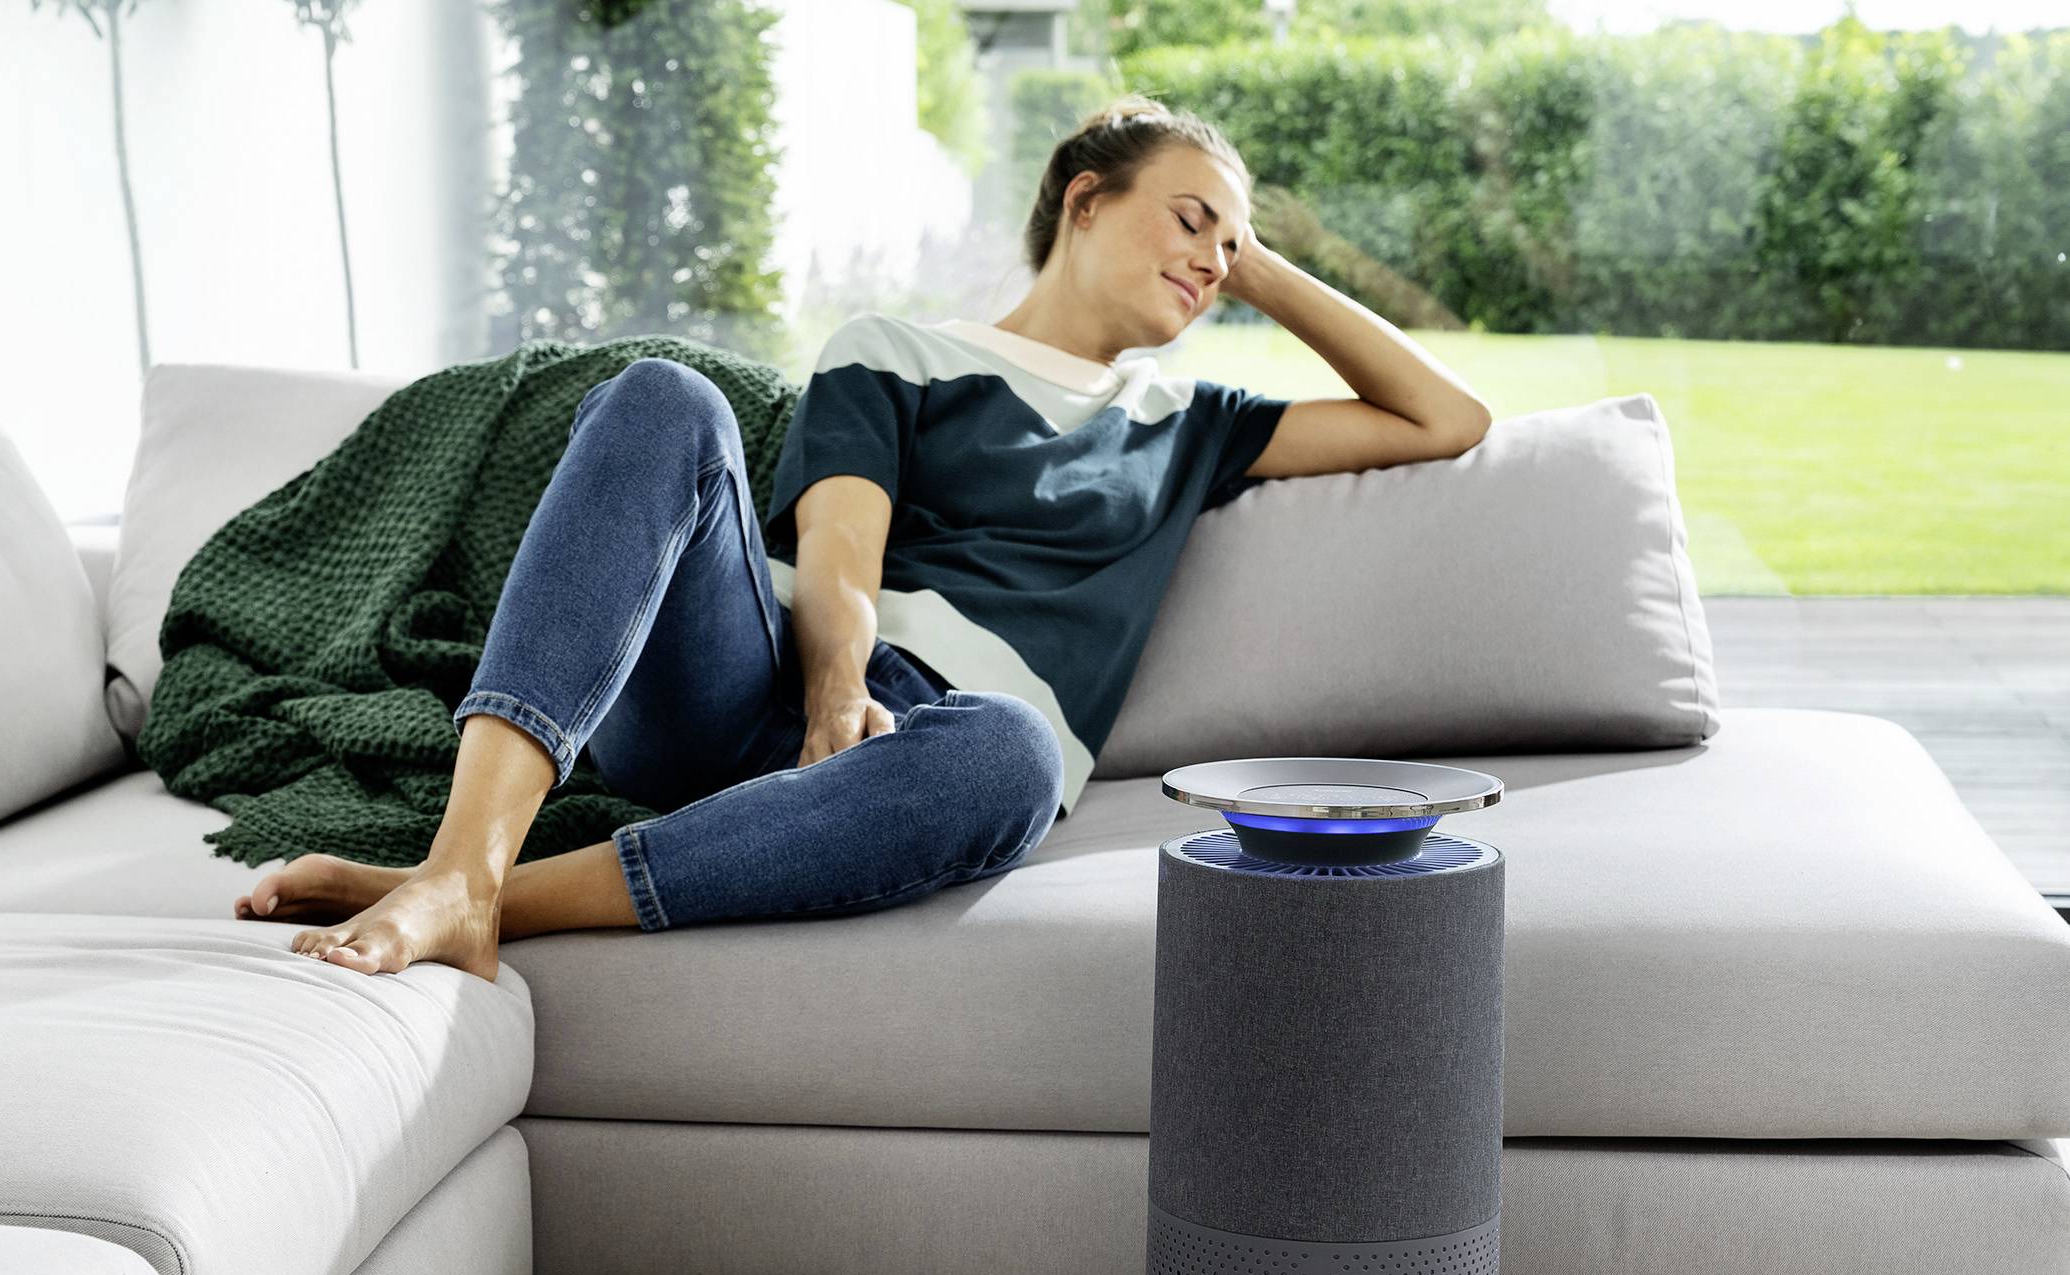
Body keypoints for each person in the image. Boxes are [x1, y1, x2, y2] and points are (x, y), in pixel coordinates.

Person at [232, 94, 1491, 981]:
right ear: (1085, 200)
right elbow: (841, 538)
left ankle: (483, 896)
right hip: (757, 687)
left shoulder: (1192, 424)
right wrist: (836, 685)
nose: (1212, 258)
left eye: (1231, 240)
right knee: (664, 395)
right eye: (1190, 218)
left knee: (1013, 756)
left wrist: (1259, 264)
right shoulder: (899, 350)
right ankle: (459, 859)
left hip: (938, 750)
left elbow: (1444, 416)